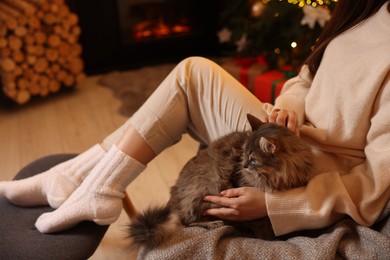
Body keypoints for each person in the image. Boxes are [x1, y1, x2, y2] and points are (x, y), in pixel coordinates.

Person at [0, 0, 389, 237]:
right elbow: (307, 77)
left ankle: (89, 183)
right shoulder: (367, 9)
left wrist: (277, 207)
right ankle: (80, 179)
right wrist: (289, 108)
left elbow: (374, 186)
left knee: (189, 76)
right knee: (193, 72)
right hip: (286, 137)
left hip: (309, 173)